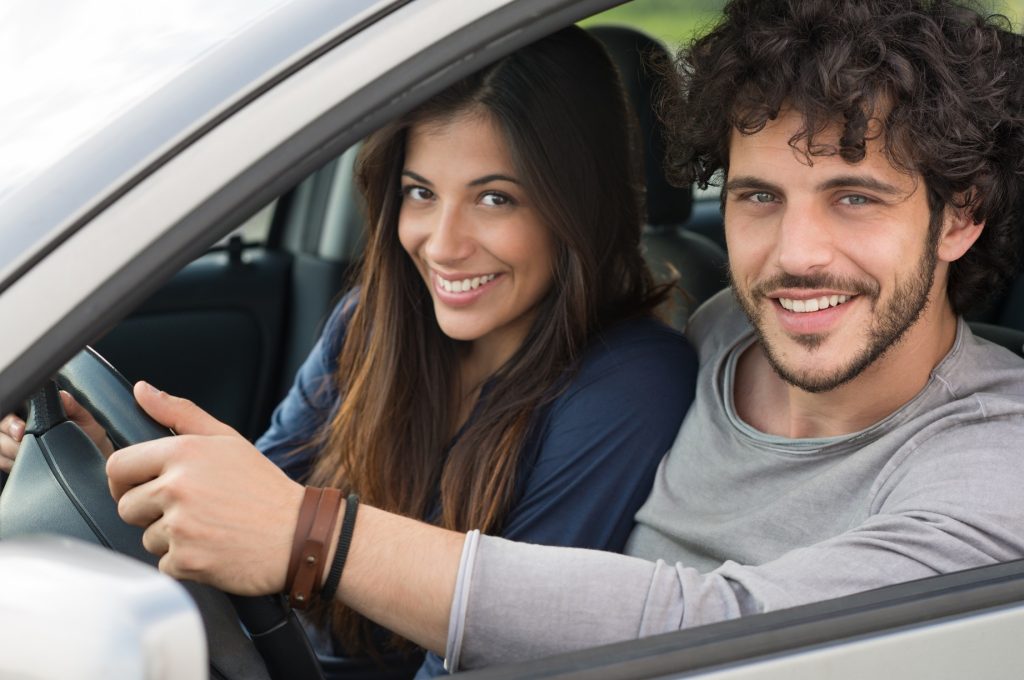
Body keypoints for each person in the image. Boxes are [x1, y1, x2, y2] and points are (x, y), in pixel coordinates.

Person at [29, 0, 1024, 672]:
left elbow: (724, 631)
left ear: (960, 213)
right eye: (759, 196)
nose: (794, 255)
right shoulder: (723, 330)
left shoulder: (991, 461)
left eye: (854, 197)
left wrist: (312, 536)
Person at [0, 26, 697, 677]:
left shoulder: (633, 386)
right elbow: (250, 522)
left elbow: (496, 651)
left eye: (494, 199)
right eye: (420, 193)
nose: (443, 243)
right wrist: (111, 469)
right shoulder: (372, 322)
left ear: (578, 205)